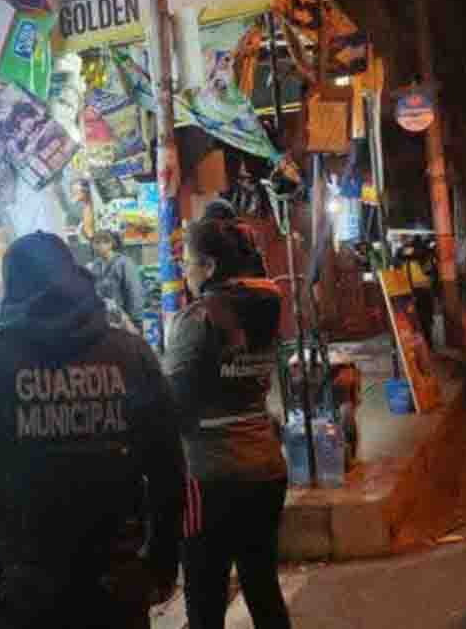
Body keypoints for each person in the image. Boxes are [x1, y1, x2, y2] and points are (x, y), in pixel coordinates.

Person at [0, 232, 185, 629]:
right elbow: (168, 469)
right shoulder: (131, 354)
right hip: (115, 582)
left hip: (20, 589)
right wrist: (162, 563)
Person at [164, 219, 291, 629]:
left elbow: (174, 405)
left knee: (205, 599)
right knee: (263, 588)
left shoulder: (196, 319)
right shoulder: (265, 305)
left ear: (210, 266)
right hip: (265, 467)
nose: (185, 271)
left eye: (188, 263)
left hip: (211, 476)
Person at [89, 230, 146, 330]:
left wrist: (135, 320)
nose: (95, 246)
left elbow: (134, 292)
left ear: (110, 244)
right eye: (94, 243)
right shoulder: (96, 265)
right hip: (107, 320)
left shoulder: (124, 263)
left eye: (98, 243)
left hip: (127, 321)